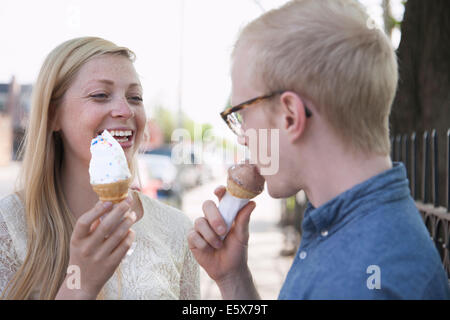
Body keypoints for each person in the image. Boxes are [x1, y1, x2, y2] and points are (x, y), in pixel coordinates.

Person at [188, 0, 450, 299]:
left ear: (290, 116)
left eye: (242, 114)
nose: (243, 137)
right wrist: (233, 278)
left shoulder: (359, 282)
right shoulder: (344, 225)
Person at [0, 37, 199, 300]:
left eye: (135, 97)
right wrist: (80, 284)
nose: (125, 110)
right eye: (100, 95)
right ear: (53, 115)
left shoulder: (177, 229)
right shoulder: (8, 227)